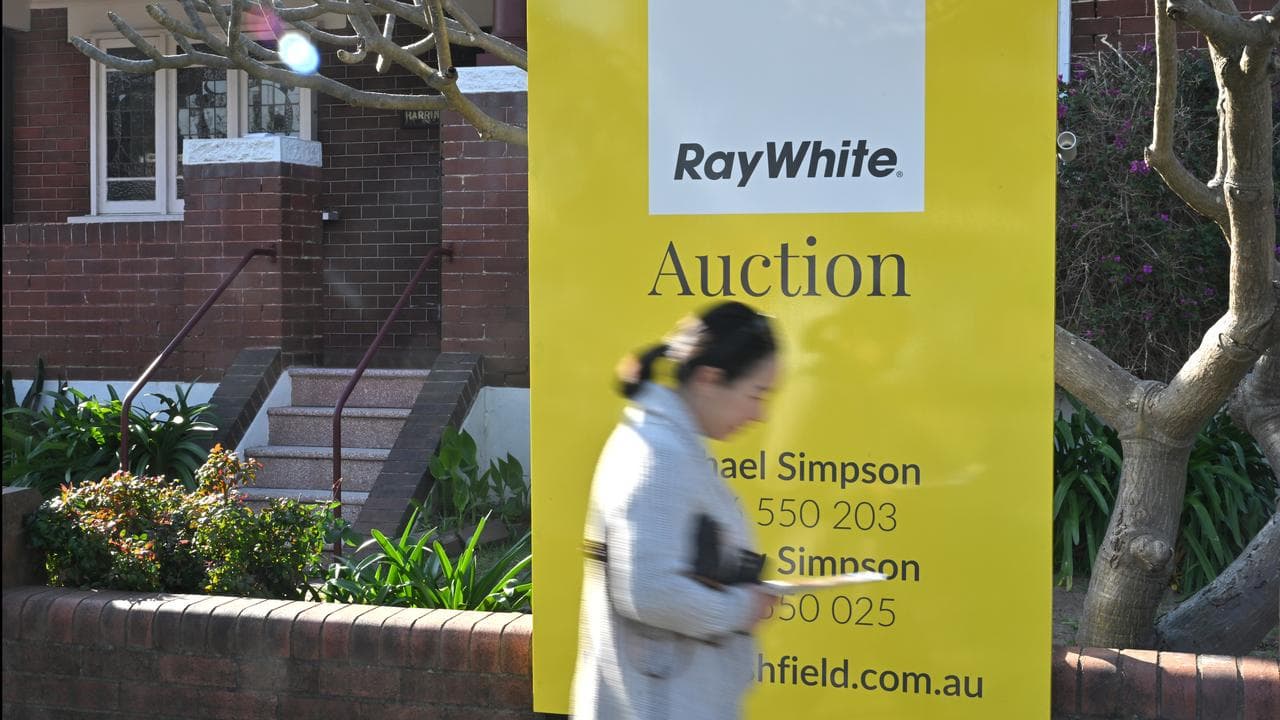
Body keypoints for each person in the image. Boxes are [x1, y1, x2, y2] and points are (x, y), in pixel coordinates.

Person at [571, 301, 780, 720]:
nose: (760, 414)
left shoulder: (664, 442)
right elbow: (651, 591)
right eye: (756, 394)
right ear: (709, 379)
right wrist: (741, 608)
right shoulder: (660, 455)